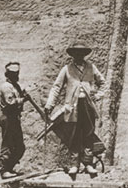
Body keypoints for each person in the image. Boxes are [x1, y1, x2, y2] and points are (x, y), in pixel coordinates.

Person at [46, 43, 107, 175]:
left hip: (87, 105)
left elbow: (102, 83)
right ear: (72, 55)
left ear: (84, 54)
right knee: (73, 135)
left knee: (88, 134)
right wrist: (49, 104)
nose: (79, 56)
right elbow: (57, 87)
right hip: (71, 107)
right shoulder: (66, 69)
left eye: (81, 53)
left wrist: (97, 96)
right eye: (76, 53)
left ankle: (88, 163)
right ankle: (74, 164)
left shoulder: (91, 67)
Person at [0, 61, 27, 178]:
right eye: (13, 74)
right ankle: (4, 170)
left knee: (20, 147)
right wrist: (23, 99)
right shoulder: (6, 87)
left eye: (17, 73)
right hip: (8, 117)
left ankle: (10, 168)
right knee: (8, 144)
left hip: (15, 118)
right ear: (7, 74)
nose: (16, 76)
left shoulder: (15, 86)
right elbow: (11, 103)